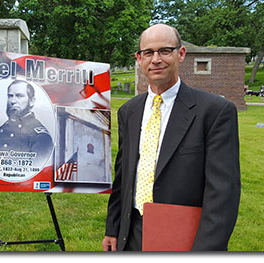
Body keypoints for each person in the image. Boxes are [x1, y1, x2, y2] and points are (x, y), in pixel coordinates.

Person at [102, 24, 240, 251]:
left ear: (181, 54)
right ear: (139, 58)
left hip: (185, 237)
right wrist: (113, 227)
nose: (156, 59)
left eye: (165, 51)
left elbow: (223, 194)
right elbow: (123, 177)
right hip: (132, 232)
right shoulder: (128, 112)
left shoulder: (214, 112)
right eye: (148, 52)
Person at [0, 80, 53, 163]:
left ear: (32, 101)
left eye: (19, 96)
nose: (13, 101)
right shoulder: (0, 130)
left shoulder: (40, 136)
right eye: (10, 96)